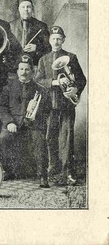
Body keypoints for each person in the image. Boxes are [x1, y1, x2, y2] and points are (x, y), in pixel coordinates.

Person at [35, 26, 86, 186]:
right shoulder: (43, 59)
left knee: (67, 138)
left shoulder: (72, 57)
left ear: (63, 40)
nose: (56, 41)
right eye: (53, 38)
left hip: (66, 105)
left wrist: (75, 89)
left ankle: (68, 171)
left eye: (59, 38)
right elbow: (38, 79)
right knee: (50, 137)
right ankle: (54, 168)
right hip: (49, 105)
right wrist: (55, 82)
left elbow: (81, 79)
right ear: (49, 40)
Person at [0, 54, 50, 187]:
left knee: (39, 139)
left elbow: (47, 110)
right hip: (13, 123)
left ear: (32, 71)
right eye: (21, 69)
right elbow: (2, 108)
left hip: (32, 125)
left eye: (27, 69)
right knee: (4, 137)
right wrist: (9, 122)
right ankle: (7, 170)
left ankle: (42, 175)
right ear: (17, 71)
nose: (24, 72)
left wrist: (36, 114)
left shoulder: (40, 89)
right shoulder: (8, 87)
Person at [10, 0, 50, 66]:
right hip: (15, 68)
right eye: (23, 7)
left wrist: (37, 48)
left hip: (35, 66)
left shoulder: (41, 26)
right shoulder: (11, 26)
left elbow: (49, 48)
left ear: (32, 9)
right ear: (19, 9)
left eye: (28, 7)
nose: (26, 10)